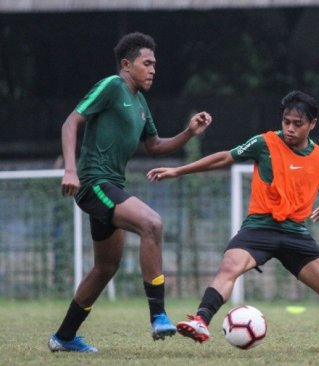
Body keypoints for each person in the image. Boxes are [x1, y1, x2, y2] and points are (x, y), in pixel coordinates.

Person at [147, 90, 319, 351]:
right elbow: (224, 157)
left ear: (312, 124)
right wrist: (178, 170)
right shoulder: (264, 143)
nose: (290, 129)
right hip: (260, 227)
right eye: (286, 122)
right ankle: (201, 320)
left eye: (297, 124)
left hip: (295, 233)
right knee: (229, 267)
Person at [48, 32, 213, 353]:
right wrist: (70, 169)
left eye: (155, 65)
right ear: (127, 65)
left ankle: (64, 337)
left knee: (106, 266)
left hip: (111, 187)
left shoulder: (139, 103)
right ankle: (158, 315)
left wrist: (189, 133)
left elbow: (154, 146)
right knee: (151, 223)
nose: (153, 70)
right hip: (94, 183)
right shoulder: (112, 86)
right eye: (147, 63)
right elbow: (71, 123)